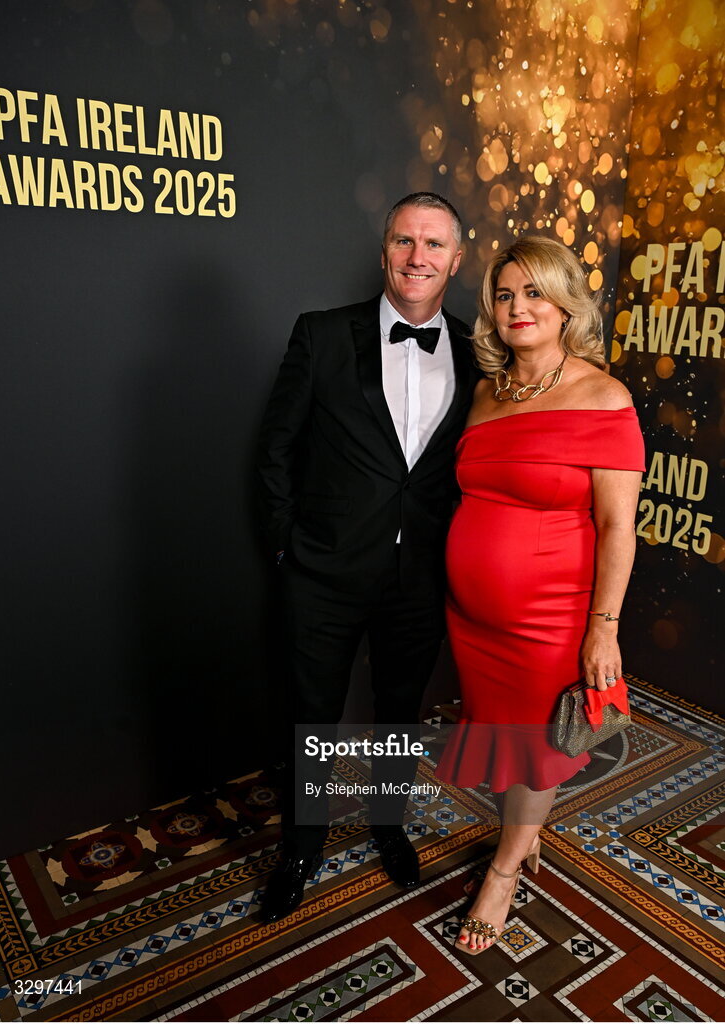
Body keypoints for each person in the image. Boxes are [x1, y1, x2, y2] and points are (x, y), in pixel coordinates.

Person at [256, 192, 479, 923]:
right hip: (322, 573)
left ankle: (387, 825)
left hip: (419, 574)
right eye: (405, 242)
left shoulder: (479, 354)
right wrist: (288, 547)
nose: (418, 258)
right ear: (385, 251)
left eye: (434, 245)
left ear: (456, 256)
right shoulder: (321, 335)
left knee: (398, 713)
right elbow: (275, 451)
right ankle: (302, 847)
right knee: (311, 716)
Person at [435, 236, 644, 954]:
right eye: (503, 294)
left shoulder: (601, 396)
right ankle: (522, 837)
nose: (517, 307)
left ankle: (502, 871)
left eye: (533, 292)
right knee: (507, 741)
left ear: (564, 305)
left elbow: (619, 527)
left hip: (550, 617)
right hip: (472, 618)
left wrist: (603, 629)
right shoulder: (488, 393)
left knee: (537, 748)